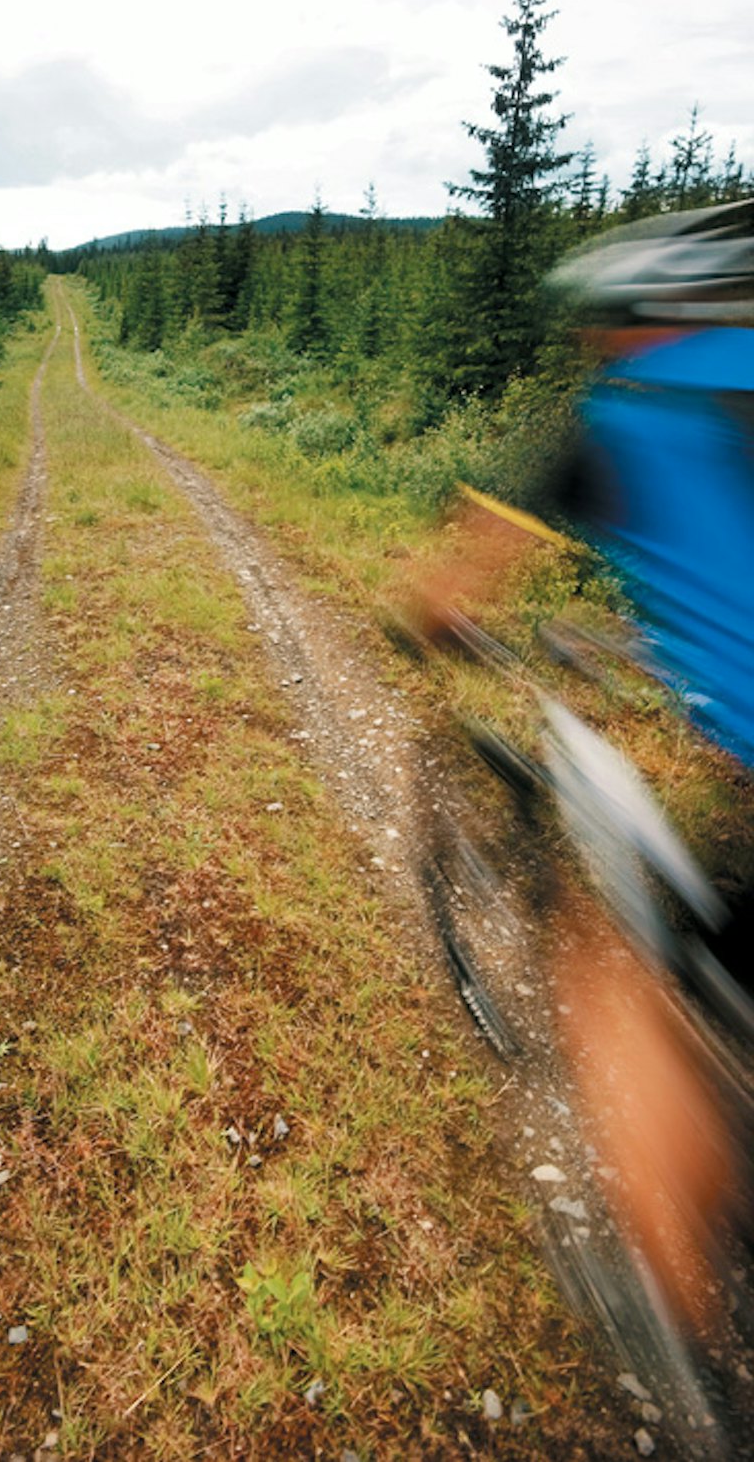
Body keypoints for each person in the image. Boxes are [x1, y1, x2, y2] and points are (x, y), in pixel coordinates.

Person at [405, 198, 754, 1335]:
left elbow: (459, 580)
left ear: (624, 317)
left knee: (609, 973)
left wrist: (429, 617)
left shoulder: (615, 415)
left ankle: (661, 1300)